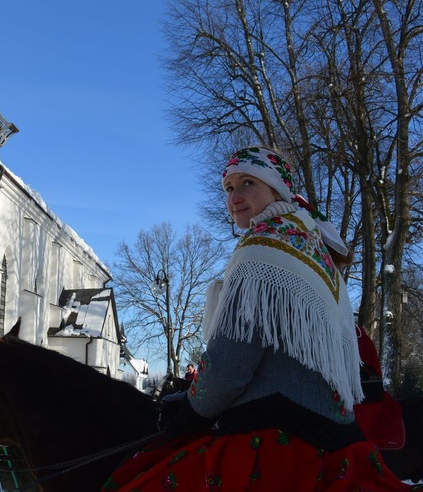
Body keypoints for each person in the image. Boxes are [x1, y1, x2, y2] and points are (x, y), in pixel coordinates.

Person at [103, 146, 412, 491]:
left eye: (247, 182)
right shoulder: (307, 245)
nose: (235, 197)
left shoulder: (264, 248)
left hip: (278, 439)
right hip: (335, 439)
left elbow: (229, 366)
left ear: (277, 190)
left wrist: (191, 411)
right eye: (229, 188)